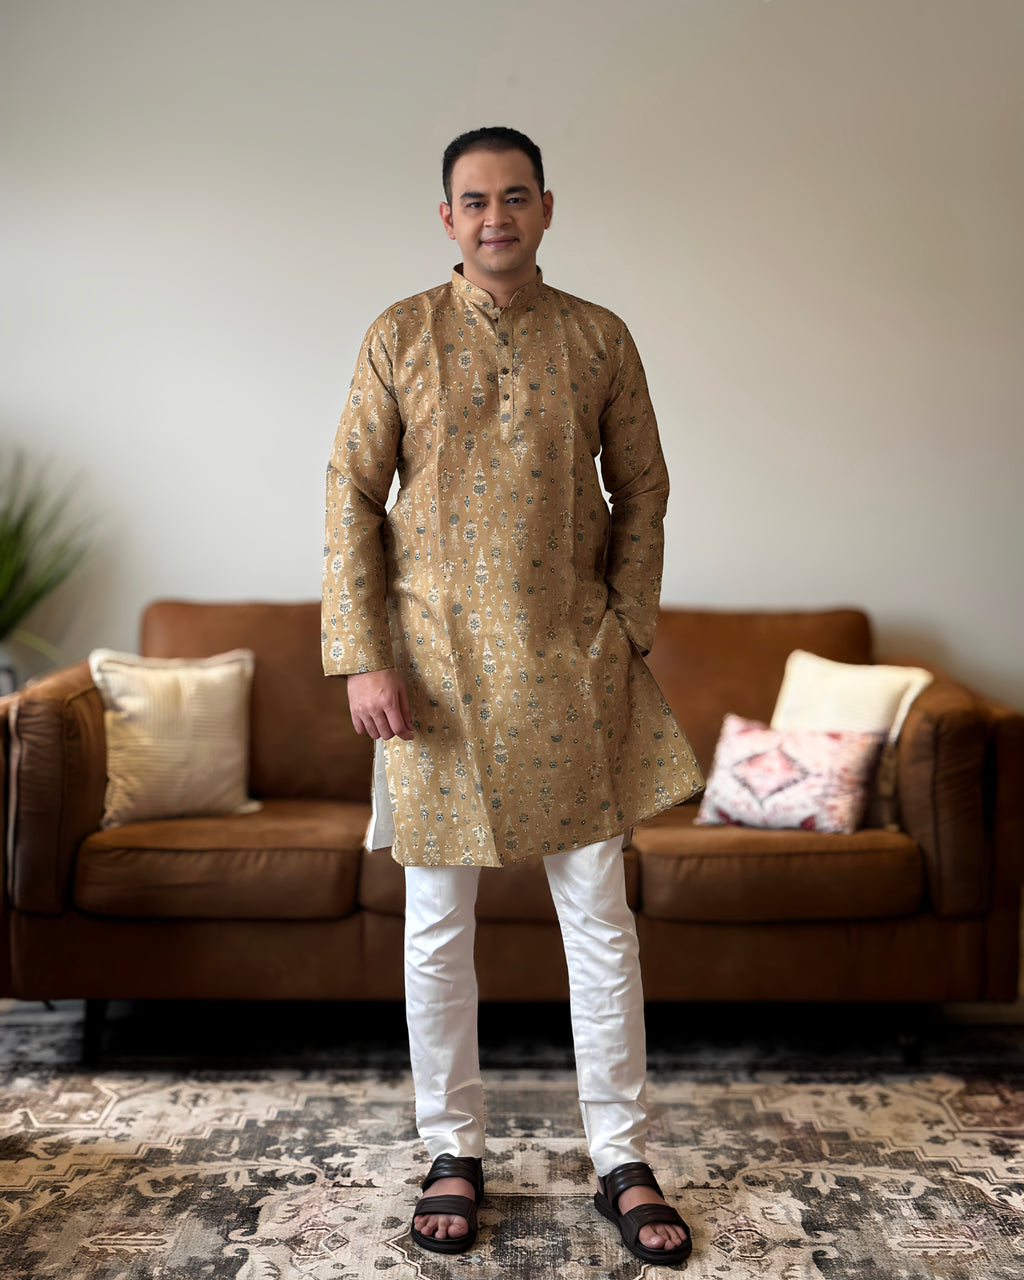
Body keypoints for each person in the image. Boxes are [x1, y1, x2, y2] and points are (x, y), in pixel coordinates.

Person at [322, 126, 704, 1265]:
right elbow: (348, 493)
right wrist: (363, 654)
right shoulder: (400, 333)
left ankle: (620, 1155)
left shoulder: (596, 336)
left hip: (566, 670)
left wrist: (624, 627)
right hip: (428, 676)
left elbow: (643, 487)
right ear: (446, 217)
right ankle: (452, 1148)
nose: (495, 217)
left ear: (547, 209)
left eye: (515, 197)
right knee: (438, 926)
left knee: (599, 918)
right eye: (473, 200)